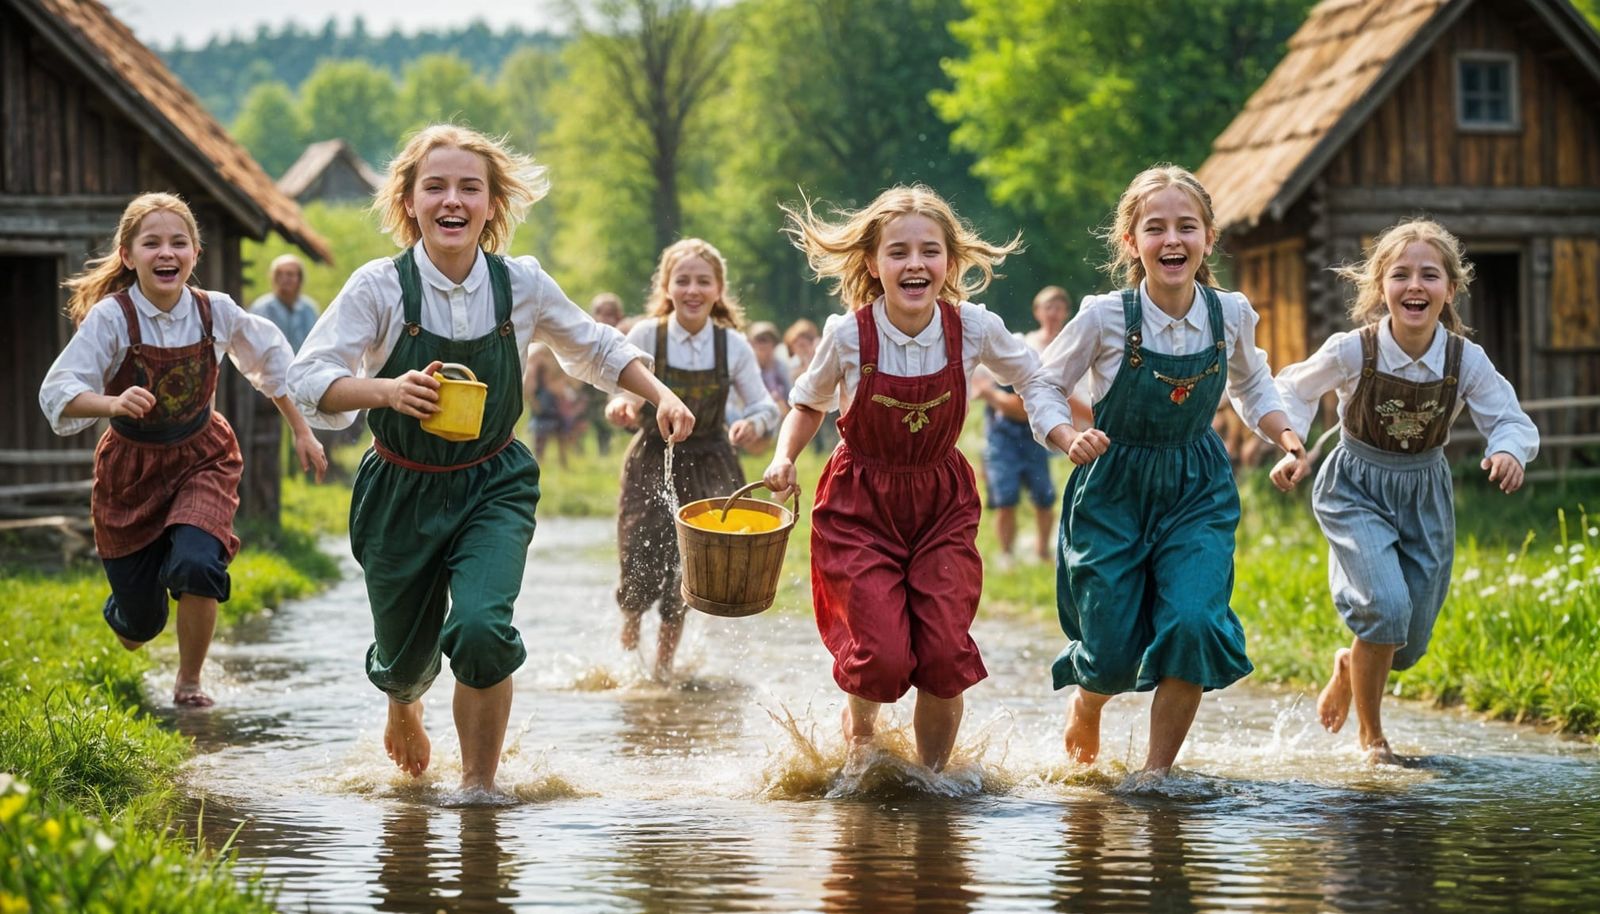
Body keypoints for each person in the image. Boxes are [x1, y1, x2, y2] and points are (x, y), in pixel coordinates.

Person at [288, 124, 693, 793]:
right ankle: (403, 700)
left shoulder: (522, 284)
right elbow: (309, 382)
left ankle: (480, 791)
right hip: (399, 488)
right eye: (436, 186)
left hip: (493, 485)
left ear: (492, 204)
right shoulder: (378, 288)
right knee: (403, 653)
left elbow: (593, 347)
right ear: (409, 203)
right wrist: (385, 389)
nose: (453, 199)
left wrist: (660, 393)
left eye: (469, 187)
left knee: (480, 629)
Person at [1026, 164, 1309, 775]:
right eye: (1156, 228)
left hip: (1195, 486)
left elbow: (1254, 384)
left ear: (1208, 237)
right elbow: (1044, 384)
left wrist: (1287, 438)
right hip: (1113, 484)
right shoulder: (1104, 316)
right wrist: (1067, 434)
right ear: (1131, 243)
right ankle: (1089, 700)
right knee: (1109, 649)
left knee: (1193, 622)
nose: (1172, 240)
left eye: (1187, 227)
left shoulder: (1229, 314)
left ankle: (1156, 779)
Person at [763, 185, 1041, 773]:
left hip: (941, 502)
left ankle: (934, 787)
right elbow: (807, 403)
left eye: (930, 250)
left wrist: (1061, 432)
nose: (915, 263)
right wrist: (785, 457)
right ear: (873, 264)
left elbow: (1036, 378)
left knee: (942, 653)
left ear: (950, 262)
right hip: (860, 504)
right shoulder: (846, 335)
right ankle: (860, 754)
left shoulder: (974, 328)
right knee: (882, 657)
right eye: (899, 252)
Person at [38, 192, 327, 708]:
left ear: (195, 253)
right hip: (131, 470)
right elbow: (58, 391)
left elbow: (272, 365)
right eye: (152, 243)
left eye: (178, 242)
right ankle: (129, 610)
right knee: (139, 626)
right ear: (128, 255)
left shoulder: (214, 311)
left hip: (202, 456)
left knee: (197, 565)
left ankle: (189, 682)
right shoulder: (112, 318)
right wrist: (111, 402)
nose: (165, 252)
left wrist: (302, 431)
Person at [1272, 219, 1538, 765]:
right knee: (1386, 610)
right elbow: (1292, 389)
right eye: (1401, 275)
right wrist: (1292, 446)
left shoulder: (1465, 359)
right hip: (1356, 486)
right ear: (1380, 287)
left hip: (1425, 493)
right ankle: (1373, 740)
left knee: (1407, 646)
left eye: (1429, 275)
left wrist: (1510, 449)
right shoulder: (1354, 350)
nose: (1415, 286)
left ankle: (1351, 664)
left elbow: (1508, 416)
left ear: (1450, 289)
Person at [606, 239, 779, 678]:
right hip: (651, 456)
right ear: (667, 286)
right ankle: (629, 629)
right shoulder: (647, 334)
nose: (692, 290)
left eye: (703, 281)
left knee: (691, 566)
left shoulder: (733, 345)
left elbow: (764, 406)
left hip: (711, 462)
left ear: (719, 289)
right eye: (682, 280)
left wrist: (754, 425)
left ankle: (662, 671)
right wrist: (623, 407)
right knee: (638, 555)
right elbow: (622, 389)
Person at [970, 285, 1076, 566]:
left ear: (1066, 312)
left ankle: (1042, 554)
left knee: (1044, 497)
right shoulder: (1023, 345)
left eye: (1058, 307)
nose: (1053, 313)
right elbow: (991, 390)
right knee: (1005, 498)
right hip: (1004, 435)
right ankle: (1007, 555)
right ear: (1037, 312)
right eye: (1047, 307)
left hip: (1036, 435)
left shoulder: (1072, 345)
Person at [785, 318, 839, 455]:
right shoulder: (794, 364)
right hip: (811, 400)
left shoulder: (823, 351)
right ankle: (818, 447)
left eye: (803, 344)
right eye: (797, 345)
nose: (800, 348)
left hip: (830, 397)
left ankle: (831, 446)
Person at [250, 253, 319, 352]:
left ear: (299, 278)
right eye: (279, 274)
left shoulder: (309, 309)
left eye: (289, 274)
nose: (284, 279)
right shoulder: (261, 307)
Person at [586, 293, 625, 455]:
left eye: (609, 314)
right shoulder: (586, 337)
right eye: (599, 313)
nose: (603, 318)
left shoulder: (624, 337)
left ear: (618, 317)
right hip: (592, 391)